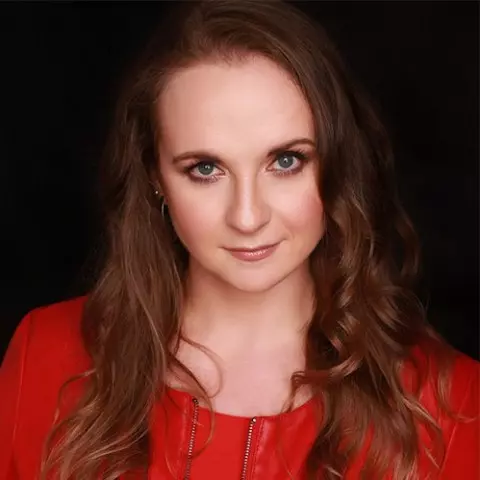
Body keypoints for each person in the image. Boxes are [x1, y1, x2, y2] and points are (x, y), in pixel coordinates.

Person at [1, 1, 478, 479]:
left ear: (337, 162)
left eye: (286, 161)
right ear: (155, 177)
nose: (247, 217)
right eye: (206, 168)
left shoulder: (452, 406)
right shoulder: (45, 356)